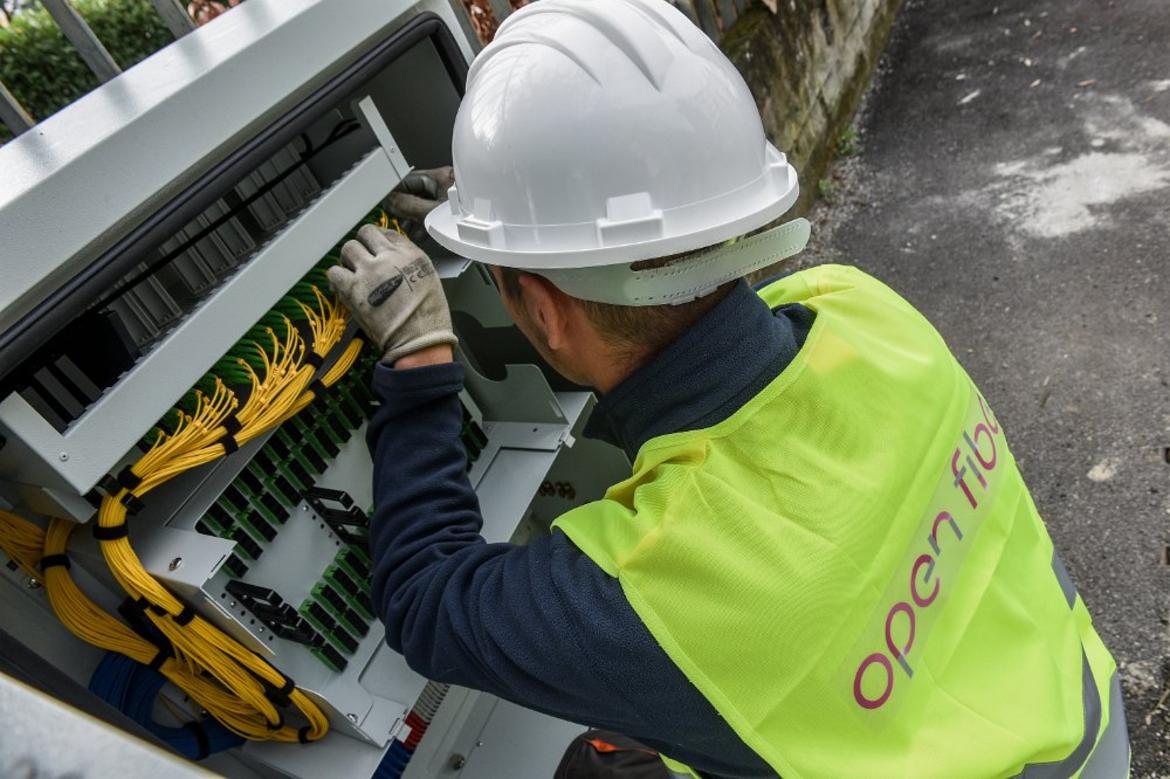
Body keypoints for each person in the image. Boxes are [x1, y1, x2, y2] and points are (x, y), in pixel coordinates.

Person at [325, 0, 1129, 776]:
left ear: (542, 309)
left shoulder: (653, 597)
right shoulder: (861, 308)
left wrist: (421, 356)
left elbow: (424, 600)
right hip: (1080, 720)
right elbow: (697, 316)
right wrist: (524, 205)